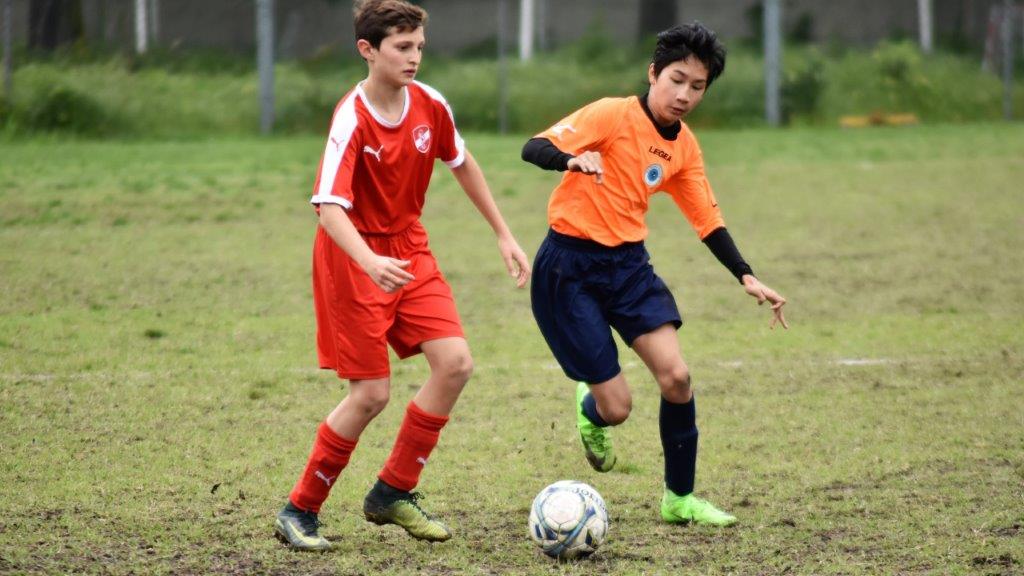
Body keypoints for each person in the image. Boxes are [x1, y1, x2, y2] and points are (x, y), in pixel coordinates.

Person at [275, 0, 531, 551]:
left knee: (456, 364)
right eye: (401, 47)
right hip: (353, 258)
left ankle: (393, 490)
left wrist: (504, 234)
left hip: (409, 249)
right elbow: (328, 207)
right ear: (368, 50)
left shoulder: (430, 104)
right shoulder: (353, 116)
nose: (414, 57)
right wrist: (369, 262)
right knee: (370, 394)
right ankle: (300, 508)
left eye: (419, 47)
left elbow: (461, 162)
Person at [521, 22, 787, 527]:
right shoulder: (611, 114)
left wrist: (745, 275)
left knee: (677, 377)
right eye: (676, 80)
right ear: (653, 73)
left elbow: (706, 218)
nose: (684, 95)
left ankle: (679, 499)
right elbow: (533, 147)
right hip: (569, 268)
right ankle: (592, 409)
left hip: (627, 268)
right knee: (617, 408)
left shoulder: (684, 146)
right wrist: (571, 160)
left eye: (697, 86)